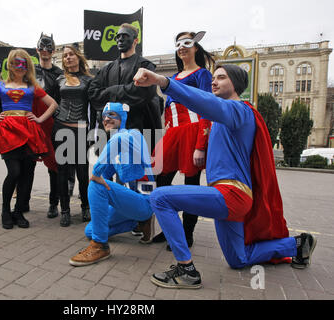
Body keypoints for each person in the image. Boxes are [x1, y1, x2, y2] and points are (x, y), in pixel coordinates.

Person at [133, 65, 317, 289]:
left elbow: (206, 103)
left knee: (160, 197)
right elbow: (206, 112)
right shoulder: (221, 118)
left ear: (236, 83)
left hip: (231, 194)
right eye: (213, 78)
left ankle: (186, 270)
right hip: (228, 197)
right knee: (239, 259)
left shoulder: (238, 109)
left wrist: (164, 82)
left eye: (221, 77)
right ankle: (297, 245)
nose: (214, 82)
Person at [69, 102, 155, 267]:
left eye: (112, 115)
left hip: (144, 201)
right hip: (129, 204)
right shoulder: (114, 146)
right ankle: (136, 223)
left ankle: (100, 245)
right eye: (104, 117)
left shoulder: (131, 135)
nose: (106, 119)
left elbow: (97, 175)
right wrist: (99, 175)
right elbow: (104, 175)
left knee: (96, 184)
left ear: (122, 118)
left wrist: (95, 174)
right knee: (89, 230)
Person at [0, 48, 58, 229]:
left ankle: (18, 212)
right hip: (8, 132)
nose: (19, 67)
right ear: (10, 65)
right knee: (14, 172)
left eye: (23, 63)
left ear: (28, 66)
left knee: (25, 174)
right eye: (16, 63)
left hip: (30, 132)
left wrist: (39, 119)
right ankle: (5, 211)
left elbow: (53, 104)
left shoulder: (32, 87)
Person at [152, 31, 214, 249]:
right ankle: (171, 229)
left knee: (191, 187)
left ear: (196, 47)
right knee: (160, 180)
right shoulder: (174, 78)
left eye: (187, 43)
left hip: (193, 132)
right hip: (173, 134)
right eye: (178, 44)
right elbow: (169, 110)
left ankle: (187, 235)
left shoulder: (203, 75)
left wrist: (201, 145)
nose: (182, 47)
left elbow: (207, 108)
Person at [16, 33, 63, 218]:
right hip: (30, 123)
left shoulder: (59, 74)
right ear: (37, 50)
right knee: (27, 164)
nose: (45, 52)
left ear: (53, 51)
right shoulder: (29, 72)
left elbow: (62, 99)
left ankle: (54, 203)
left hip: (51, 123)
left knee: (54, 165)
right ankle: (23, 201)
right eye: (42, 48)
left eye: (49, 49)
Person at [88, 23, 160, 133]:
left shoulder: (145, 66)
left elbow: (145, 93)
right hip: (110, 132)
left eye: (125, 36)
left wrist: (111, 91)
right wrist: (123, 91)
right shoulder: (106, 69)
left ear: (136, 40)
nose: (120, 40)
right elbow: (93, 93)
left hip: (137, 128)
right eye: (118, 37)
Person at [52, 45, 93, 227]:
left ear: (78, 57)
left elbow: (96, 104)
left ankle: (85, 206)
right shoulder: (59, 79)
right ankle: (65, 211)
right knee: (62, 171)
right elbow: (52, 102)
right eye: (65, 55)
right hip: (61, 128)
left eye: (71, 55)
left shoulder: (89, 79)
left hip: (81, 129)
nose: (68, 58)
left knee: (82, 172)